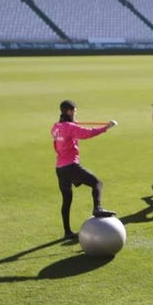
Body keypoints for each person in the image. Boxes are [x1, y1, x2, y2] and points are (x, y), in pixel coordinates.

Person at [51, 99, 117, 240]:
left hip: (60, 168)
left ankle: (67, 232)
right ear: (69, 111)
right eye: (74, 111)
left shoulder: (56, 127)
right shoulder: (69, 127)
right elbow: (88, 133)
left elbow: (56, 144)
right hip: (71, 166)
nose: (75, 113)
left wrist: (73, 125)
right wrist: (106, 127)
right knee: (97, 183)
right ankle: (97, 208)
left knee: (67, 200)